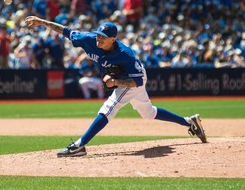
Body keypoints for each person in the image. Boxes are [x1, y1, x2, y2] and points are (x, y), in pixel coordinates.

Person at [25, 16, 207, 157]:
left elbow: (136, 81)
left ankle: (79, 146)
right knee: (149, 113)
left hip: (131, 79)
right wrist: (41, 22)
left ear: (113, 39)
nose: (99, 39)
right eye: (98, 34)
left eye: (103, 37)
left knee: (109, 108)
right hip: (124, 79)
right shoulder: (89, 39)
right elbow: (66, 31)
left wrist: (116, 83)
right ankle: (189, 122)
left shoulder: (125, 54)